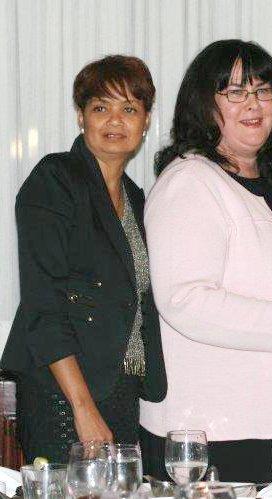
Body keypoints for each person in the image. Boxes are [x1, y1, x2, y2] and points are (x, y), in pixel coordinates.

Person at [139, 39, 272, 483]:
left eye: (262, 90)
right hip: (219, 429)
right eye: (234, 92)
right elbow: (184, 301)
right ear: (204, 104)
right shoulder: (191, 181)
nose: (252, 104)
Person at [1, 56, 166, 462]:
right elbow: (44, 306)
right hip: (63, 395)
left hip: (122, 389)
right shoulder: (54, 180)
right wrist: (83, 408)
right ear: (81, 117)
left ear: (145, 121)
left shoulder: (138, 198)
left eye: (129, 109)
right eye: (100, 108)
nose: (115, 120)